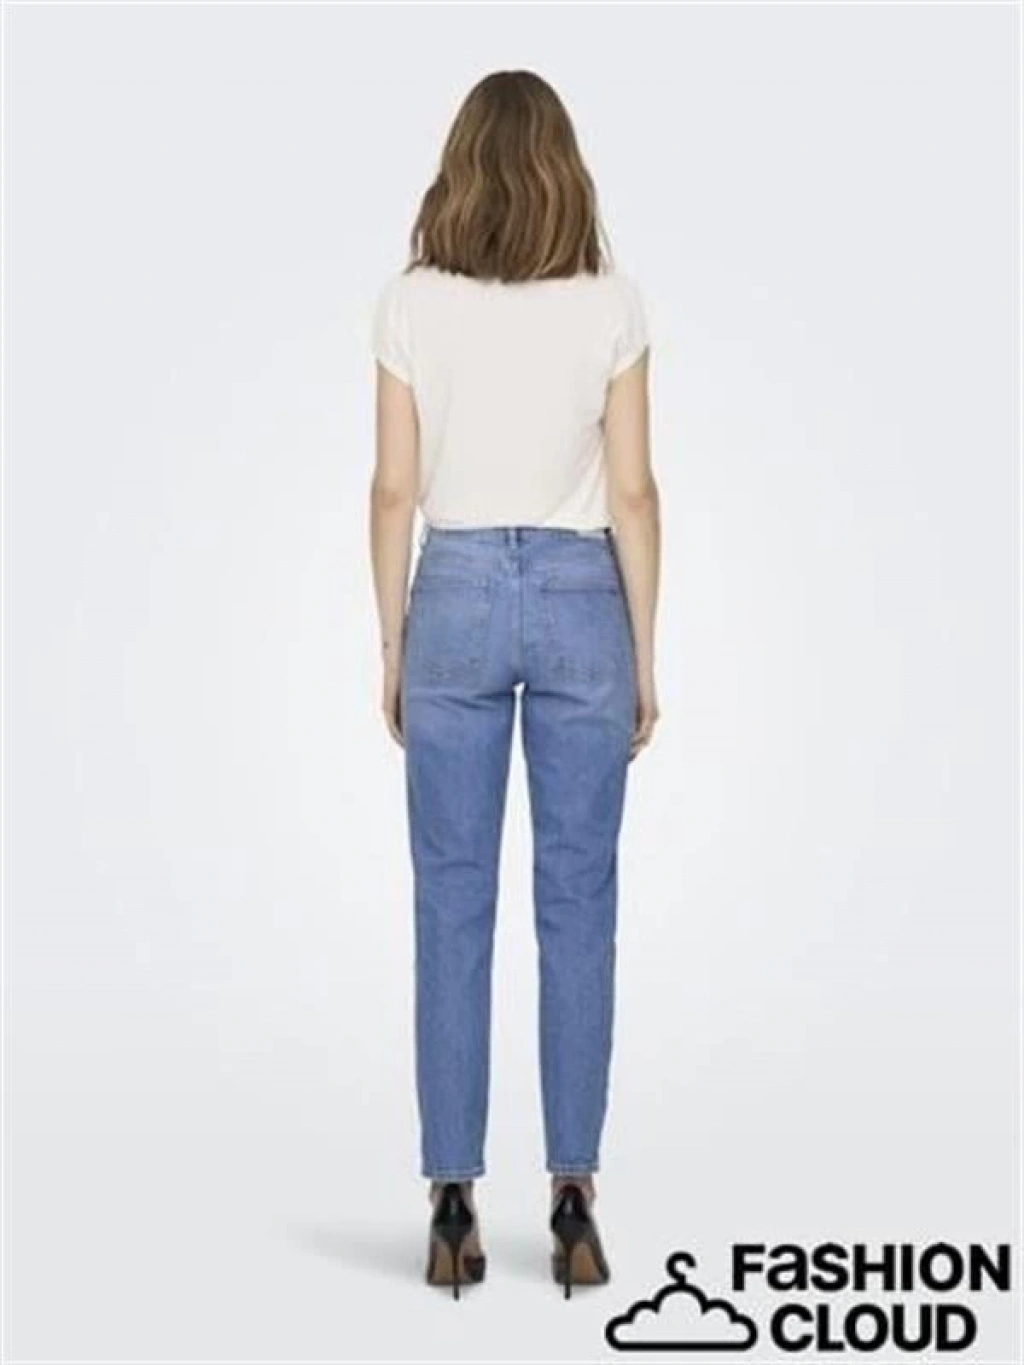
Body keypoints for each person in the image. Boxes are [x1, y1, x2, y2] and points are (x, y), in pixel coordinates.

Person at [369, 69, 661, 1300]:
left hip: (451, 595)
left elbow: (393, 489)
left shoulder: (410, 303)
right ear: (562, 170)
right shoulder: (611, 302)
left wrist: (394, 645)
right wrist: (645, 651)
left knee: (451, 902)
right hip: (584, 592)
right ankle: (574, 1199)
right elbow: (632, 491)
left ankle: (450, 1203)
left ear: (460, 169)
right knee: (577, 904)